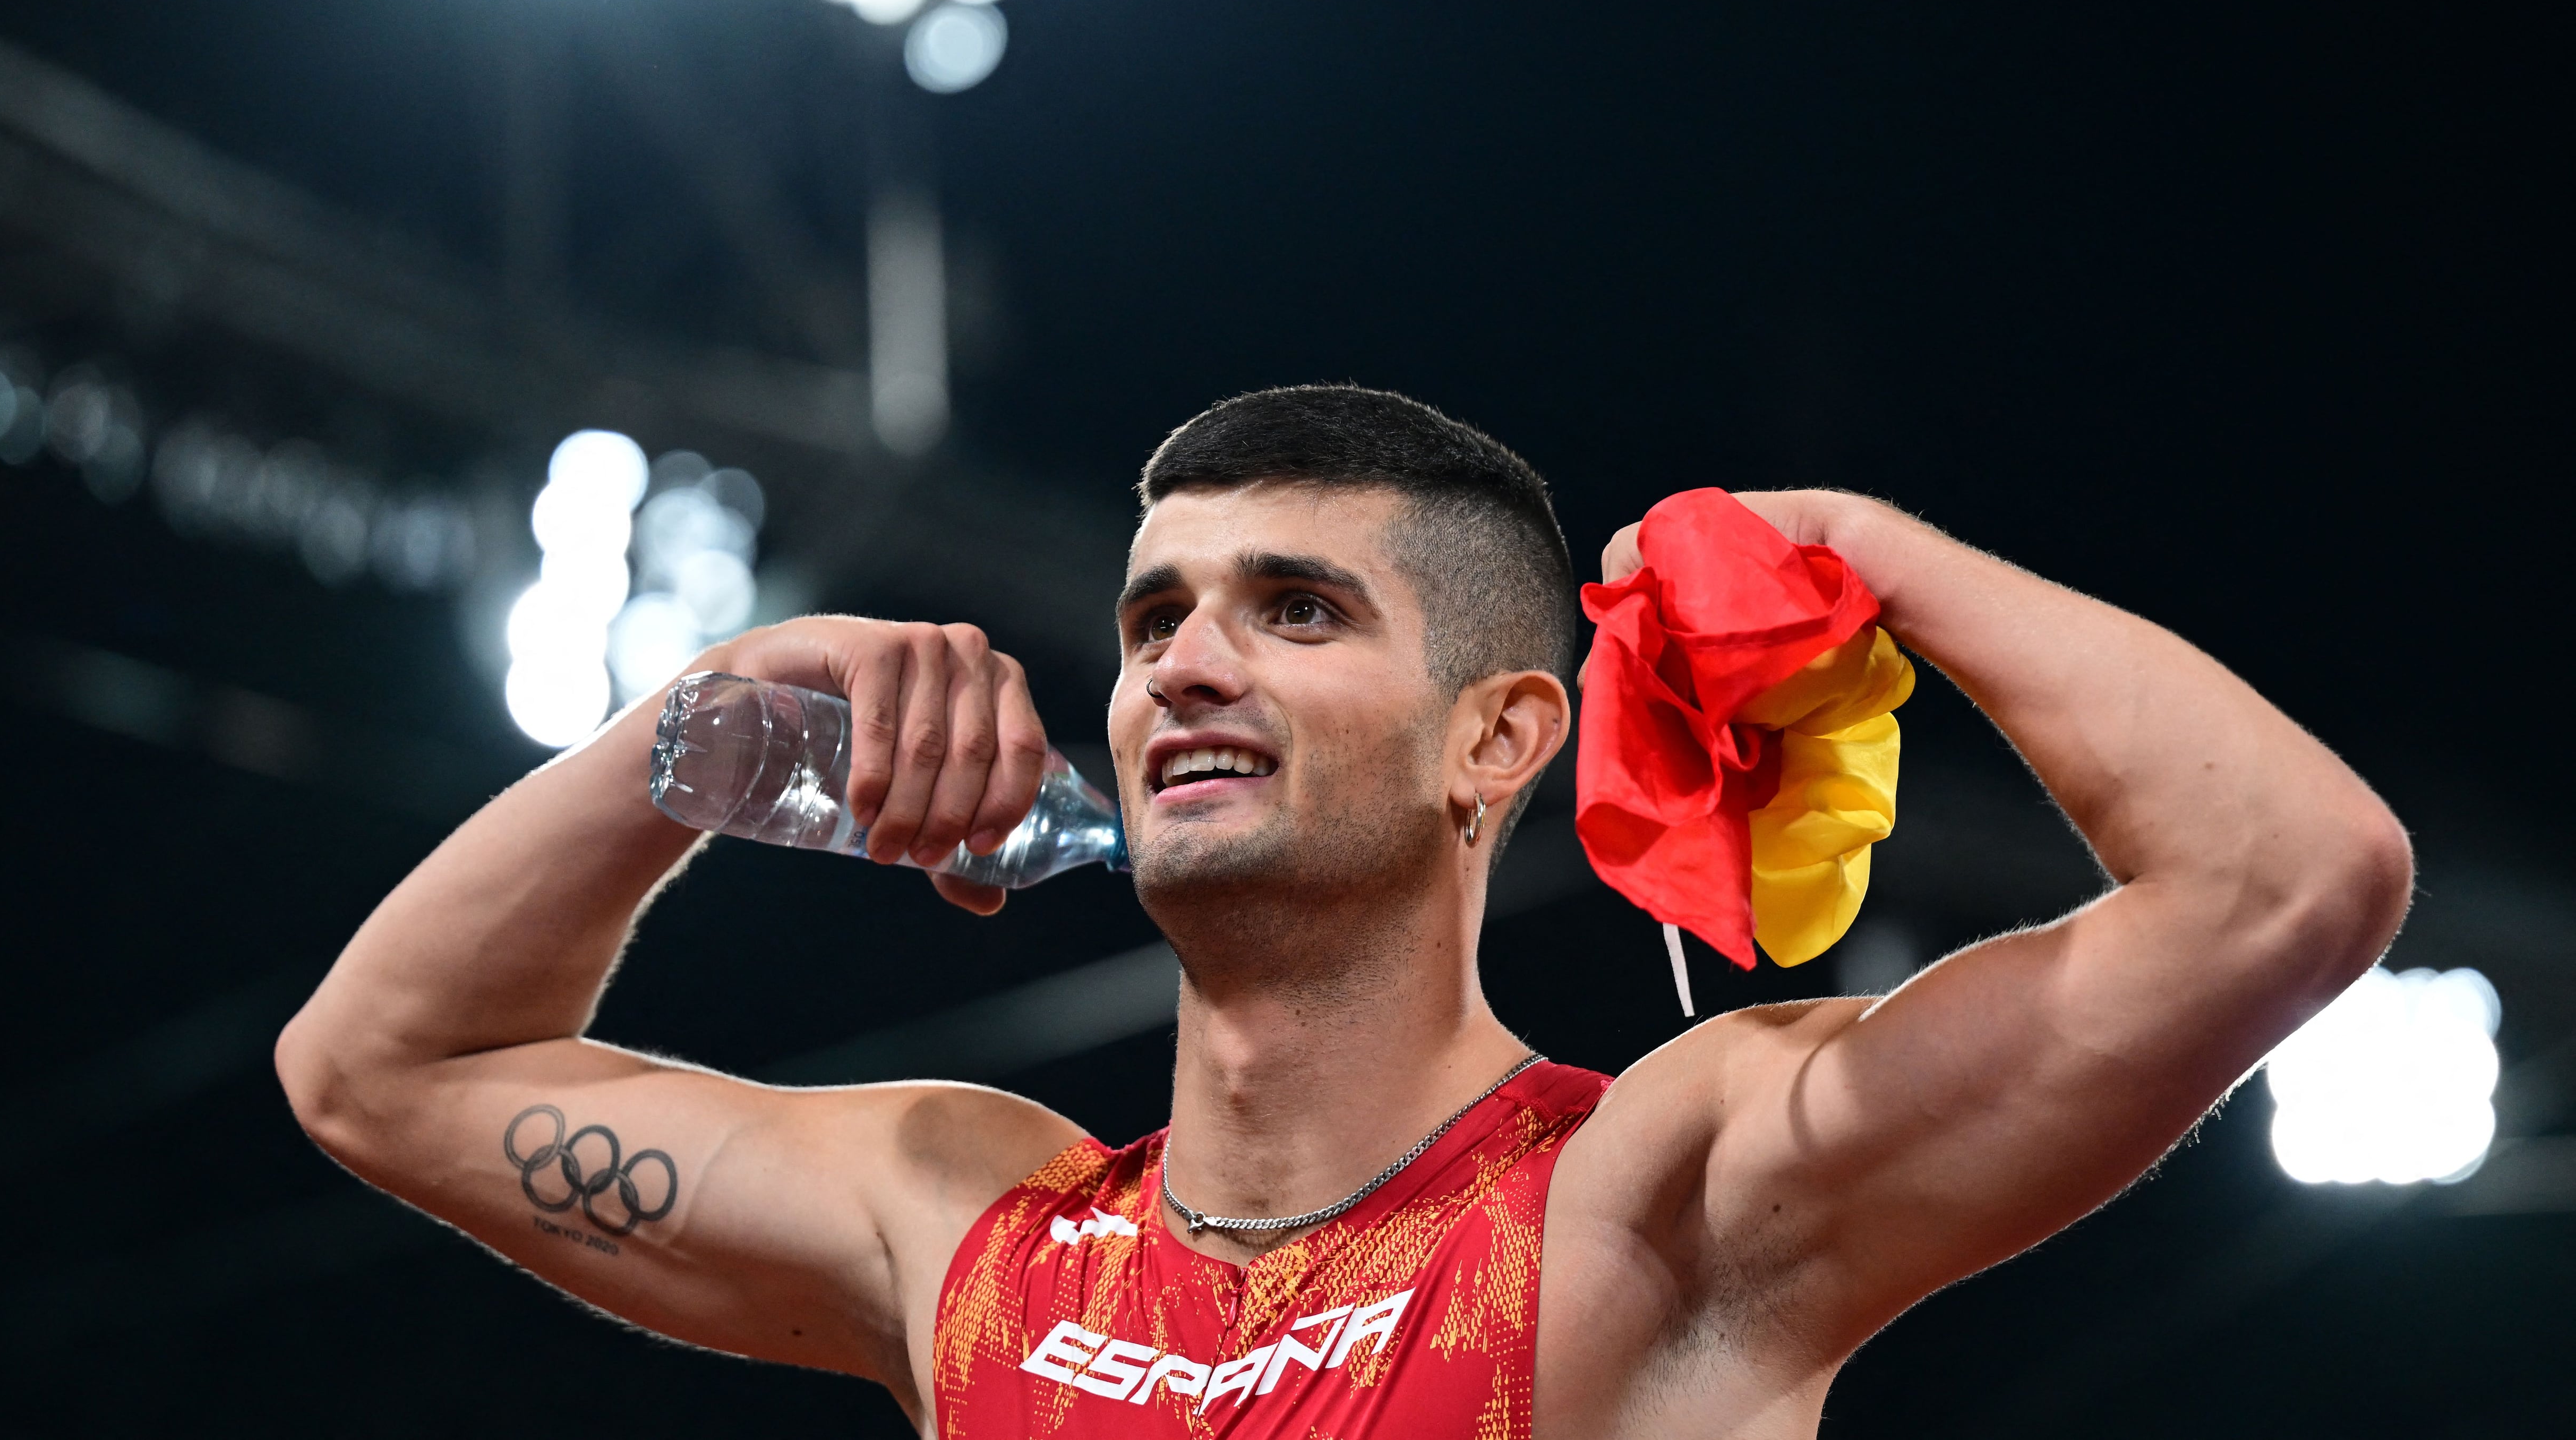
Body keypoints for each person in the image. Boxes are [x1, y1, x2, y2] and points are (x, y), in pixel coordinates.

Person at [276, 385, 2411, 1437]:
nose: (1181, 667)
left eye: (1294, 613)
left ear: (1498, 742)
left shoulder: (1648, 1210)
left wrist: (1846, 544)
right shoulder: (968, 1233)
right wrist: (700, 731)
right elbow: (379, 1069)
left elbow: (2283, 882)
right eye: (1151, 620)